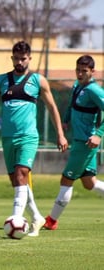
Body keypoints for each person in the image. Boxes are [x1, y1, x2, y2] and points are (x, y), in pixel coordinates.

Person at [0, 41, 68, 237]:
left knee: (21, 174)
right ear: (12, 58)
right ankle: (37, 217)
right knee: (17, 181)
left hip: (28, 137)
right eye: (16, 58)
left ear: (29, 58)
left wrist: (60, 134)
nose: (19, 62)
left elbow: (53, 107)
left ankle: (16, 220)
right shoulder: (1, 80)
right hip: (7, 138)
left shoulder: (38, 80)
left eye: (23, 58)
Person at [44, 55, 104, 230]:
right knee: (89, 183)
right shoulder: (77, 86)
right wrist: (65, 120)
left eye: (84, 71)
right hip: (79, 141)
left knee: (66, 179)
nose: (80, 73)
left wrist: (99, 134)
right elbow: (72, 106)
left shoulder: (95, 90)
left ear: (93, 72)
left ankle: (52, 221)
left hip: (86, 143)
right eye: (78, 70)